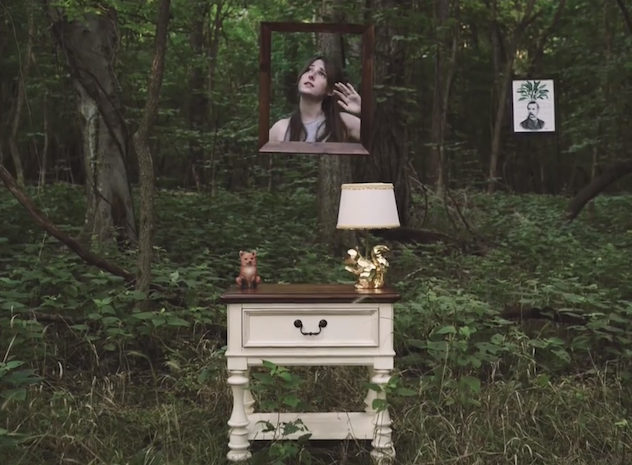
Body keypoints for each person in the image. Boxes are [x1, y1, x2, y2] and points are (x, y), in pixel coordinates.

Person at [269, 55, 361, 143]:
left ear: (330, 90)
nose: (311, 75)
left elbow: (369, 142)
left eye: (321, 73)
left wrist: (362, 111)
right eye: (309, 70)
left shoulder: (342, 122)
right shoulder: (280, 129)